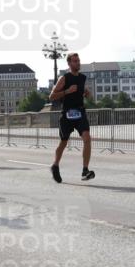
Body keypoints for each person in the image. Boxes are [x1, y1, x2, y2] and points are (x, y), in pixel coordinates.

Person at [49, 52, 95, 182]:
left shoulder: (82, 78)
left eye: (78, 60)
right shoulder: (64, 78)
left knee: (87, 138)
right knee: (63, 142)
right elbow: (52, 96)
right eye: (75, 61)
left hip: (80, 113)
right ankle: (55, 165)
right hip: (67, 114)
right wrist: (67, 91)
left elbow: (87, 96)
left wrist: (87, 94)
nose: (78, 63)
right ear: (69, 63)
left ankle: (85, 170)